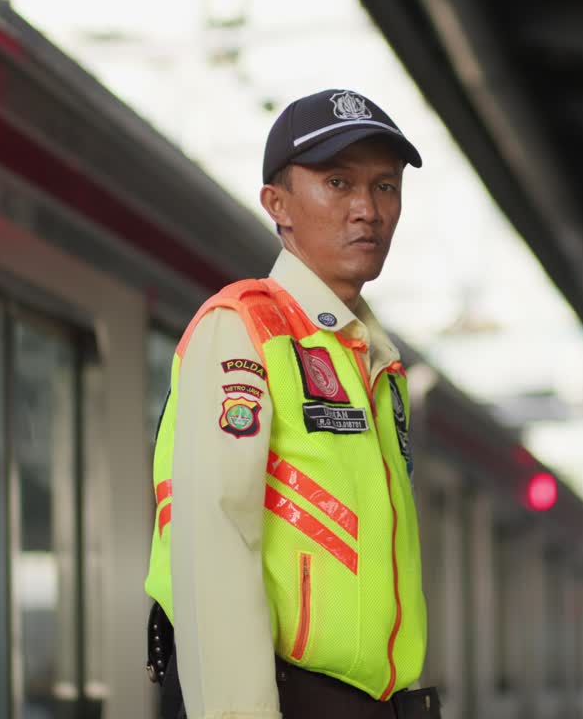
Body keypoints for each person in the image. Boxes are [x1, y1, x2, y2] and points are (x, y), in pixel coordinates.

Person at [143, 89, 440, 719]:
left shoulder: (378, 363)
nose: (367, 210)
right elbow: (215, 538)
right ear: (277, 205)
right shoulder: (244, 327)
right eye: (338, 182)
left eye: (385, 187)